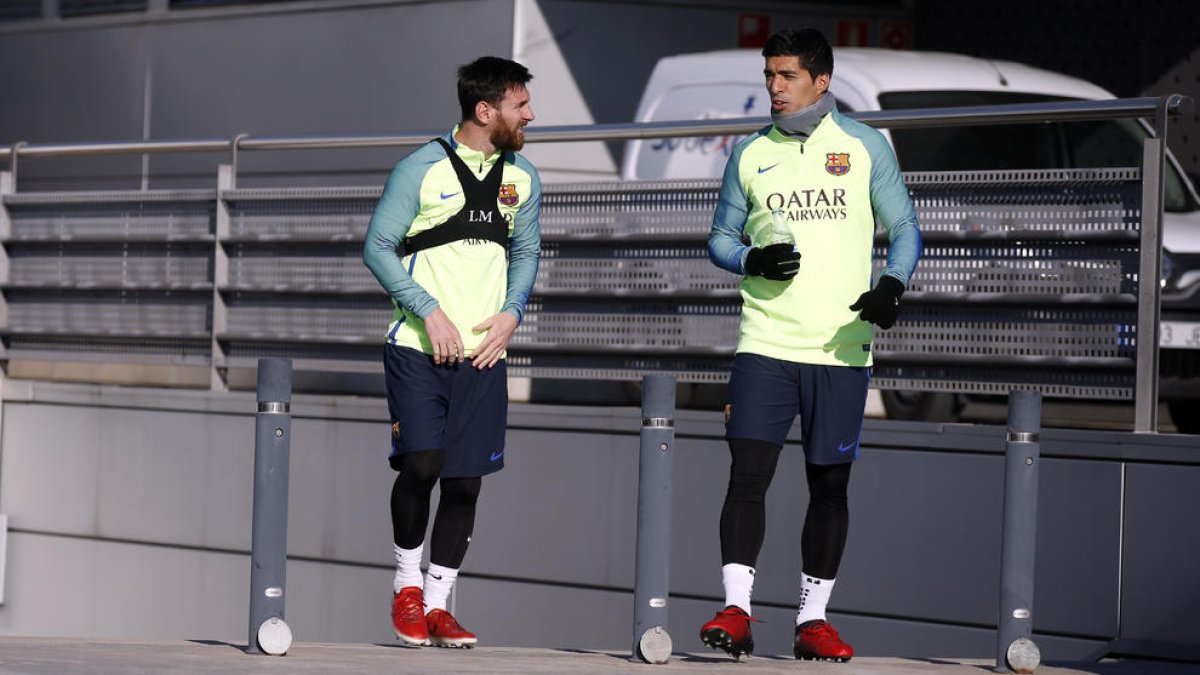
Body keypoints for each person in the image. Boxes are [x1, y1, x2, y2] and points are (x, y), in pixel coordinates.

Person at [700, 27, 921, 662]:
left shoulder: (863, 146)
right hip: (765, 344)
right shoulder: (748, 153)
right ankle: (736, 610)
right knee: (748, 477)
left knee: (829, 487)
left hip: (841, 349)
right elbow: (718, 238)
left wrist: (892, 286)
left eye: (786, 75)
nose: (773, 87)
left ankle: (812, 621)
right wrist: (750, 258)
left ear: (821, 81)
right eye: (769, 75)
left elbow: (905, 226)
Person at [362, 56, 540, 648]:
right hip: (417, 347)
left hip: (483, 356)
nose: (530, 116)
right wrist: (428, 309)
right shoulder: (420, 167)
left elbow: (527, 254)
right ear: (485, 110)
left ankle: (438, 604)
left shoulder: (525, 178)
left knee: (466, 483)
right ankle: (407, 587)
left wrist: (512, 314)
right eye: (520, 105)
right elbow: (378, 247)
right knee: (423, 464)